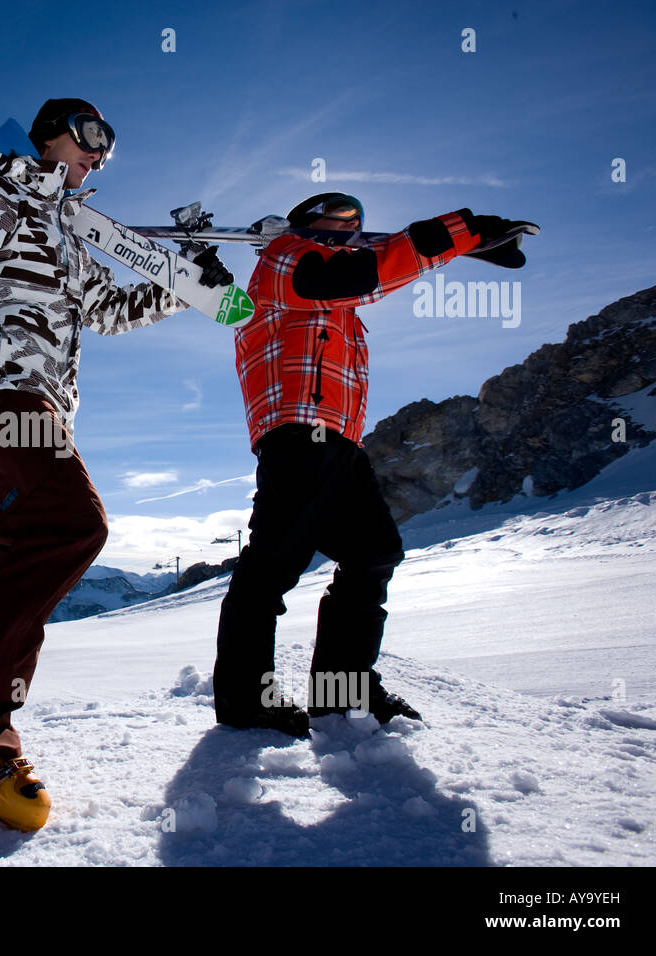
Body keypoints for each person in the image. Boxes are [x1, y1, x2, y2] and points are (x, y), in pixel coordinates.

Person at [0, 98, 233, 830]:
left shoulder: (66, 233)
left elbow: (106, 310)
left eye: (110, 149)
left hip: (38, 407)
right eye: (93, 138)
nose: (101, 155)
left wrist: (186, 283)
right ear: (51, 134)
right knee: (66, 525)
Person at [214, 192, 524, 736]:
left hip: (339, 444)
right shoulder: (285, 259)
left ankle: (342, 696)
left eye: (356, 223)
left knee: (374, 554)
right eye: (334, 220)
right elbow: (363, 272)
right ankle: (245, 702)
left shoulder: (332, 281)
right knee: (273, 568)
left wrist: (467, 247)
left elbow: (373, 263)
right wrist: (460, 232)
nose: (349, 229)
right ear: (305, 226)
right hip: (297, 435)